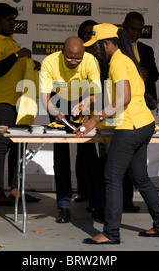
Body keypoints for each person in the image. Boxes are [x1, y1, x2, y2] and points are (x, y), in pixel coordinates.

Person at [77, 24, 159, 244]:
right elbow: (118, 95)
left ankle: (111, 233)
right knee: (140, 177)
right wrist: (89, 101)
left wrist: (95, 118)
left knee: (112, 177)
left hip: (131, 127)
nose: (94, 51)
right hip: (145, 124)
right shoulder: (125, 60)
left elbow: (124, 98)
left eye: (96, 47)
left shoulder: (118, 62)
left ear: (107, 43)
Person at [40, 36, 105, 223]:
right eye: (70, 58)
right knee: (61, 155)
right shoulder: (49, 62)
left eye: (78, 58)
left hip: (82, 98)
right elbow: (44, 97)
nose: (74, 62)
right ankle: (64, 206)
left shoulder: (90, 60)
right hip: (57, 99)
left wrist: (89, 110)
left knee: (89, 154)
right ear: (62, 52)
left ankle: (98, 204)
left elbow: (97, 93)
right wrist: (55, 113)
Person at [0, 3, 41, 205]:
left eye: (14, 20)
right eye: (9, 20)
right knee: (0, 148)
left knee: (18, 146)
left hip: (20, 104)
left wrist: (30, 64)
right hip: (0, 102)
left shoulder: (11, 41)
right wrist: (16, 56)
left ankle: (15, 189)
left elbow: (16, 67)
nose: (13, 23)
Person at [121, 11, 159, 212]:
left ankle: (127, 201)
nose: (136, 33)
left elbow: (155, 74)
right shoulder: (117, 48)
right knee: (119, 160)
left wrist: (146, 75)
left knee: (136, 161)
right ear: (123, 26)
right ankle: (120, 200)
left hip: (143, 108)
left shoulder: (147, 50)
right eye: (132, 29)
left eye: (140, 30)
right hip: (121, 109)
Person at [72, 20, 99, 204]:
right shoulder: (74, 57)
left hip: (104, 106)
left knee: (103, 153)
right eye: (85, 33)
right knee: (84, 149)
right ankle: (85, 191)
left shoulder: (103, 56)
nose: (89, 37)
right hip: (81, 105)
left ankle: (99, 194)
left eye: (92, 33)